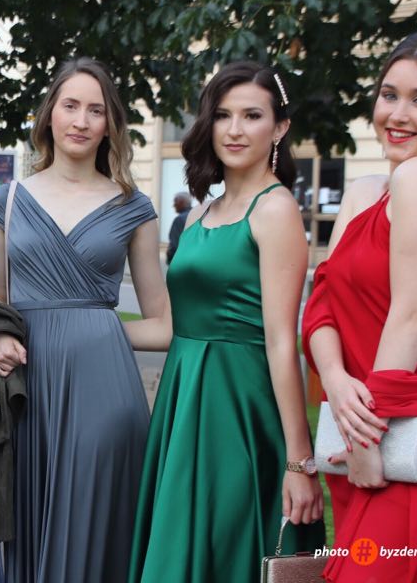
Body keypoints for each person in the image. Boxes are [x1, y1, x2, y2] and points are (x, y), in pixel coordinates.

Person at [129, 61, 325, 583]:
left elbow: (283, 342)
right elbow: (174, 327)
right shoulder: (200, 214)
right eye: (222, 115)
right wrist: (81, 327)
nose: (235, 129)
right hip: (182, 401)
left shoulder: (275, 210)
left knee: (226, 547)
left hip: (239, 409)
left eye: (252, 115)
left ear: (280, 128)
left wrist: (299, 462)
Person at [302, 31, 417, 582]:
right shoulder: (364, 191)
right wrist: (336, 384)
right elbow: (321, 306)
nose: (398, 114)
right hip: (364, 426)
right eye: (389, 95)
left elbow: (413, 316)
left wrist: (365, 432)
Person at [0, 57, 170, 583]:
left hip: (103, 391)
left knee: (92, 533)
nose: (81, 121)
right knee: (29, 528)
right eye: (70, 106)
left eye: (96, 110)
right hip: (28, 390)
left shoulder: (133, 206)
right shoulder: (8, 200)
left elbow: (162, 325)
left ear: (110, 124)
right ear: (50, 114)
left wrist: (94, 331)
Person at [166, 190, 192, 263]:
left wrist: (170, 259)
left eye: (175, 202)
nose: (173, 205)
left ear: (181, 202)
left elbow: (174, 244)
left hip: (180, 262)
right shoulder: (197, 215)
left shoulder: (179, 219)